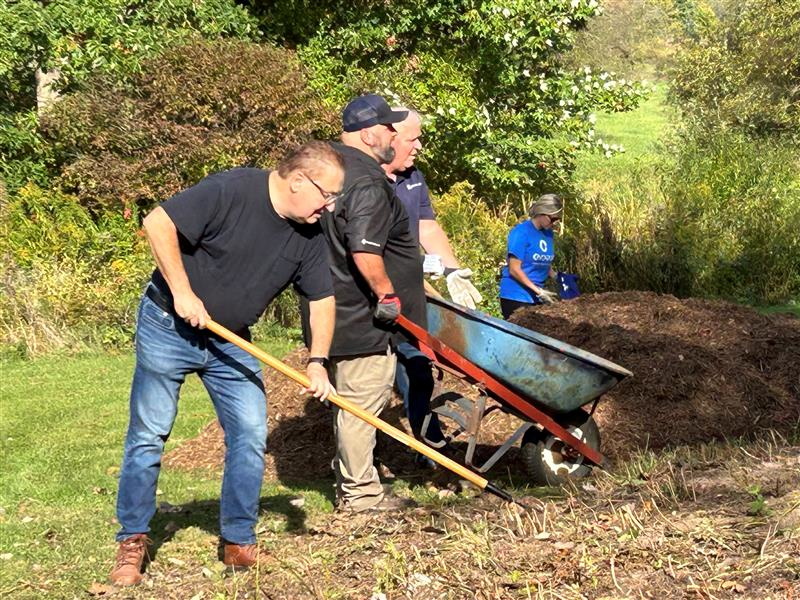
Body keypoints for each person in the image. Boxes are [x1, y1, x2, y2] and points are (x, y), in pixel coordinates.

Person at [110, 141, 344, 587]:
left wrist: (317, 361)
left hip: (232, 340)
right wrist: (182, 292)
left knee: (251, 432)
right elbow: (157, 223)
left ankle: (238, 540)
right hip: (167, 324)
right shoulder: (231, 190)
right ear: (298, 181)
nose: (330, 207)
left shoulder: (311, 235)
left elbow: (322, 300)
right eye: (327, 194)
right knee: (149, 433)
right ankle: (133, 540)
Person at [320, 94, 426, 512]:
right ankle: (361, 495)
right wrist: (388, 296)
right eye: (388, 130)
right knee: (362, 404)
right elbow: (364, 250)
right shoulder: (366, 181)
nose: (393, 137)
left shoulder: (332, 171)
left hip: (336, 308)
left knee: (350, 404)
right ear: (369, 133)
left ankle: (351, 481)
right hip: (363, 316)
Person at [381, 109, 482, 458]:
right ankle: (364, 459)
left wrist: (452, 270)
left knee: (418, 369)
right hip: (370, 297)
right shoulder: (364, 181)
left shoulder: (413, 177)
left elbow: (427, 227)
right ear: (388, 137)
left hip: (408, 294)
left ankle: (431, 447)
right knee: (374, 380)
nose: (419, 146)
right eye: (413, 138)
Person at [498, 193, 563, 319]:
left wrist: (556, 276)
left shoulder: (548, 233)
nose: (555, 223)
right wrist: (538, 291)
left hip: (536, 296)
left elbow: (543, 261)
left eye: (557, 220)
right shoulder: (521, 232)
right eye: (553, 219)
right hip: (516, 296)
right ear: (542, 213)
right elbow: (514, 269)